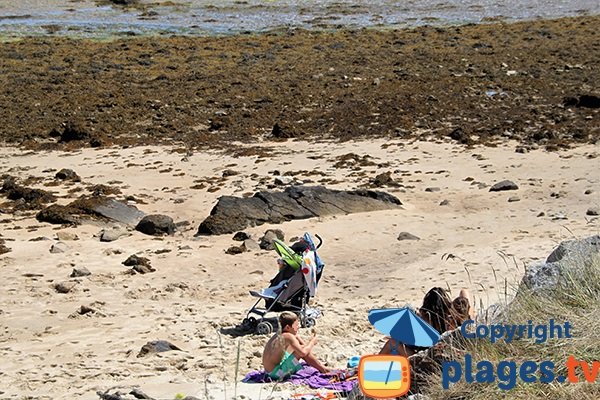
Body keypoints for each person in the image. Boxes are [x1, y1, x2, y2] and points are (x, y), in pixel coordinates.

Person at [380, 287, 474, 357]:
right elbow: (464, 291)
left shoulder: (434, 321)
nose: (449, 319)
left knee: (392, 343)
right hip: (421, 349)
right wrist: (468, 313)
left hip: (421, 355)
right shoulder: (451, 316)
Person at [262, 311, 331, 380]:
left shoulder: (280, 333)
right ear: (288, 327)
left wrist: (298, 338)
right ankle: (324, 370)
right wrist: (312, 342)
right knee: (302, 350)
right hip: (277, 374)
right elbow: (303, 353)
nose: (298, 327)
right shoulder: (288, 336)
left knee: (302, 348)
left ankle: (320, 365)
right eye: (296, 325)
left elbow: (304, 346)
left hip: (269, 372)